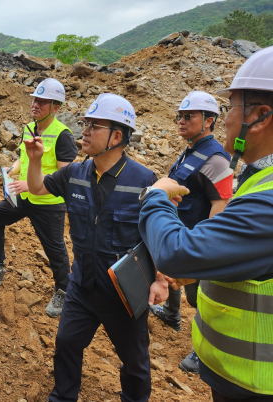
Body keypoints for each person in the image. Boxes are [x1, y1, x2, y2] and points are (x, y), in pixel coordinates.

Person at [138, 46, 273, 401]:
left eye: (231, 108)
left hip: (255, 384)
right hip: (235, 373)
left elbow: (218, 210)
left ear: (260, 117)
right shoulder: (250, 174)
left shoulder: (226, 164)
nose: (227, 120)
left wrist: (155, 196)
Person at [25, 93, 169, 402]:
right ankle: (63, 397)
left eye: (94, 126)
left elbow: (157, 234)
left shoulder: (144, 180)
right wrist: (35, 159)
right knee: (66, 342)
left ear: (116, 137)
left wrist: (160, 279)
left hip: (123, 291)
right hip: (83, 284)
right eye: (85, 124)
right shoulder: (74, 174)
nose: (85, 131)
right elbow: (36, 187)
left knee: (135, 361)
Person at [0, 78, 78, 317]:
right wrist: (13, 169)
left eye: (42, 101)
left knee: (55, 250)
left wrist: (30, 185)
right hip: (24, 197)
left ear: (56, 107)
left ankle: (64, 291)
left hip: (48, 203)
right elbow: (23, 157)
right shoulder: (29, 128)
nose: (35, 104)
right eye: (34, 99)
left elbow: (65, 176)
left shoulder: (63, 135)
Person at [148, 91, 232, 374]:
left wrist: (206, 249)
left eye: (188, 116)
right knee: (169, 269)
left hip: (196, 239)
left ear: (209, 121)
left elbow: (221, 204)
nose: (181, 121)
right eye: (179, 116)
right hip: (180, 233)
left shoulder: (216, 159)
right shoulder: (192, 150)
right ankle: (172, 314)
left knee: (200, 298)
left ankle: (205, 349)